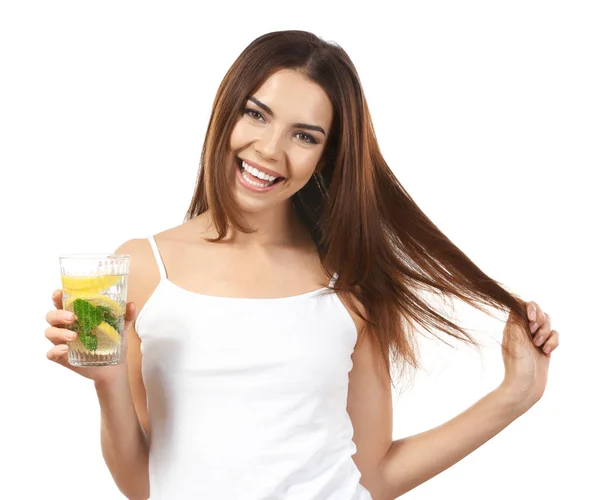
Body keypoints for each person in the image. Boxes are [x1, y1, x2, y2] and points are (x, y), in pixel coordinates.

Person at [43, 30, 560, 500]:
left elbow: (372, 475)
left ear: (326, 157)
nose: (269, 150)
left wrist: (515, 396)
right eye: (257, 114)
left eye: (305, 136)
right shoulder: (141, 265)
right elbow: (143, 486)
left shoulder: (349, 285)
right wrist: (106, 382)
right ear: (227, 112)